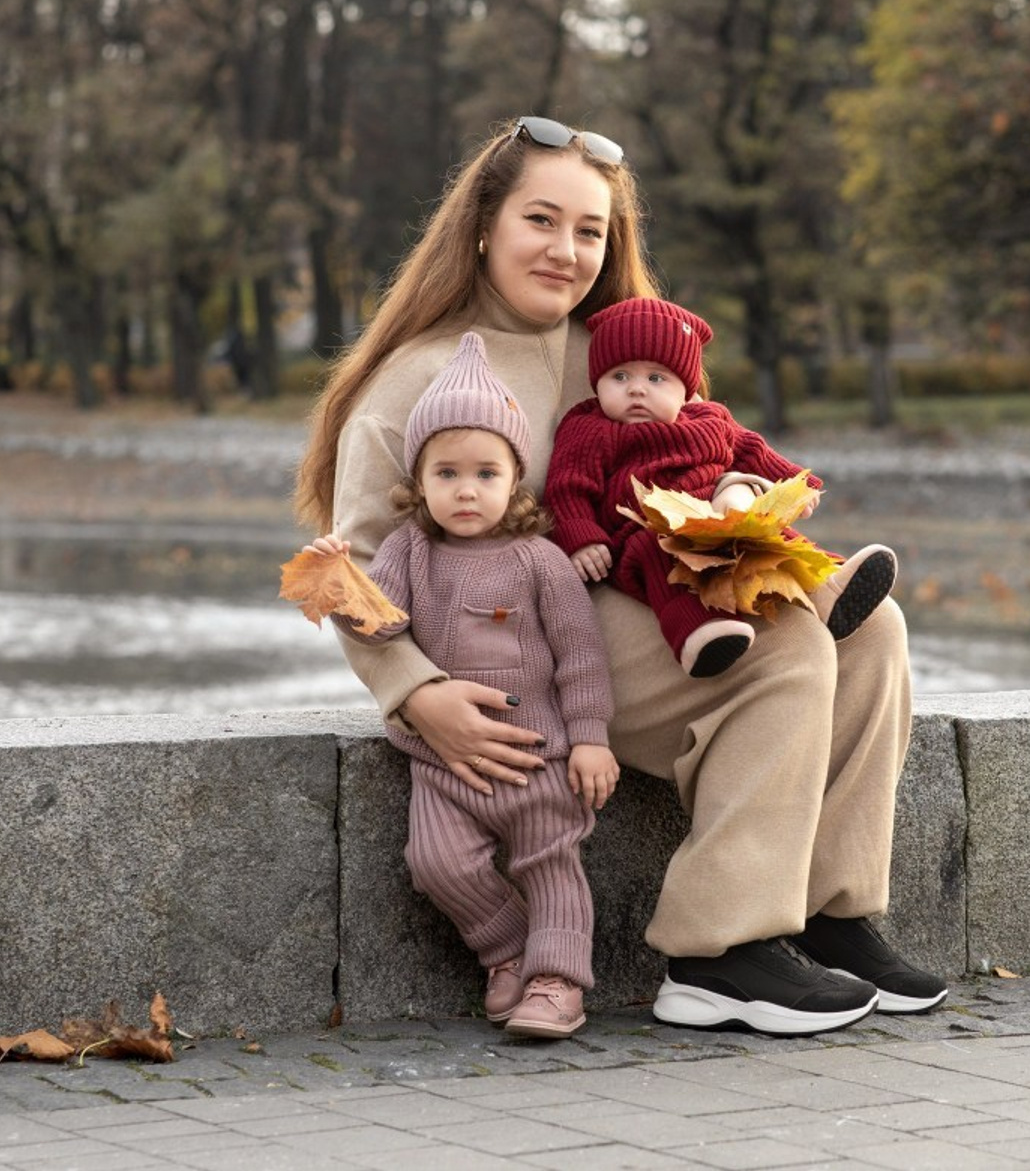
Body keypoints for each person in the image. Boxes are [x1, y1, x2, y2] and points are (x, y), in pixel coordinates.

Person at [294, 114, 948, 1036]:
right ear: (483, 226)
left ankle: (829, 910)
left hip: (641, 592)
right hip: (527, 652)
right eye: (542, 221)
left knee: (871, 629)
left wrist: (742, 504)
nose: (567, 250)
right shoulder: (419, 376)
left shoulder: (620, 351)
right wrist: (414, 691)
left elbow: (697, 454)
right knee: (783, 649)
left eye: (590, 231)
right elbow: (346, 565)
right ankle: (718, 951)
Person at [302, 332, 617, 1040]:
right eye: (446, 474)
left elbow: (581, 658)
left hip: (542, 756)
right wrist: (336, 576)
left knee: (550, 863)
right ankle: (508, 952)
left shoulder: (541, 560)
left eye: (485, 473)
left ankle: (558, 979)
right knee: (436, 863)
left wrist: (591, 741)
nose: (466, 490)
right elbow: (377, 626)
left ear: (515, 481)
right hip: (443, 763)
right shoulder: (411, 551)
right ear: (420, 484)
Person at [543, 295, 898, 678]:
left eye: (656, 378)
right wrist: (583, 538)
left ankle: (830, 591)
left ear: (686, 389)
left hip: (717, 515)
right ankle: (701, 633)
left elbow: (751, 449)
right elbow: (568, 487)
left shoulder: (708, 419)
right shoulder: (590, 428)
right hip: (645, 528)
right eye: (620, 377)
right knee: (657, 556)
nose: (636, 390)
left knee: (768, 536)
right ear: (598, 382)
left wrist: (797, 484)